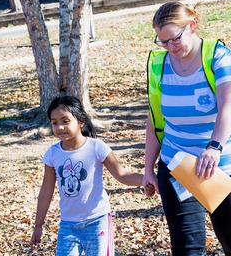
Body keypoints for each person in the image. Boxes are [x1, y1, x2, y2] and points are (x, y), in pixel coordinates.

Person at [143, 1, 231, 256]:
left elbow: (229, 104)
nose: (170, 47)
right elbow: (154, 118)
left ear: (192, 27)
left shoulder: (218, 54)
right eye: (163, 42)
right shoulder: (159, 65)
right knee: (187, 249)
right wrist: (148, 168)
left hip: (224, 165)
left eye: (174, 39)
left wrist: (214, 147)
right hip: (177, 164)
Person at [30, 95, 149, 255]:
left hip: (97, 222)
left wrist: (148, 180)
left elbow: (122, 174)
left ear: (81, 121)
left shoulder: (97, 147)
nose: (59, 127)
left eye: (65, 121)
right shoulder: (52, 154)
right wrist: (38, 225)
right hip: (68, 225)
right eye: (54, 122)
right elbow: (46, 191)